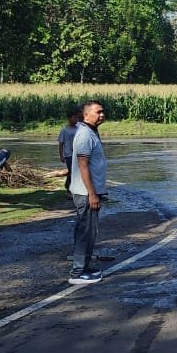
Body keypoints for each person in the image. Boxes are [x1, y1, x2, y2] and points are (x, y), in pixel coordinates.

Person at [68, 100, 107, 284]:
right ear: (86, 115)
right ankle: (77, 273)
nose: (102, 115)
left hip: (90, 191)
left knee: (90, 230)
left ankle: (84, 266)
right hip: (85, 193)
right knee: (85, 230)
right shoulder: (84, 134)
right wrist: (92, 193)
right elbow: (83, 166)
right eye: (98, 112)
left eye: (102, 112)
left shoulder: (91, 132)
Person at [59, 109, 82, 196]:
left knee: (79, 172)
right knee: (72, 172)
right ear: (69, 118)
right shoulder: (65, 130)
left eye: (77, 117)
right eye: (74, 117)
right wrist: (61, 156)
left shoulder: (79, 129)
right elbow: (60, 144)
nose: (76, 119)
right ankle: (68, 188)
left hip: (78, 154)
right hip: (69, 155)